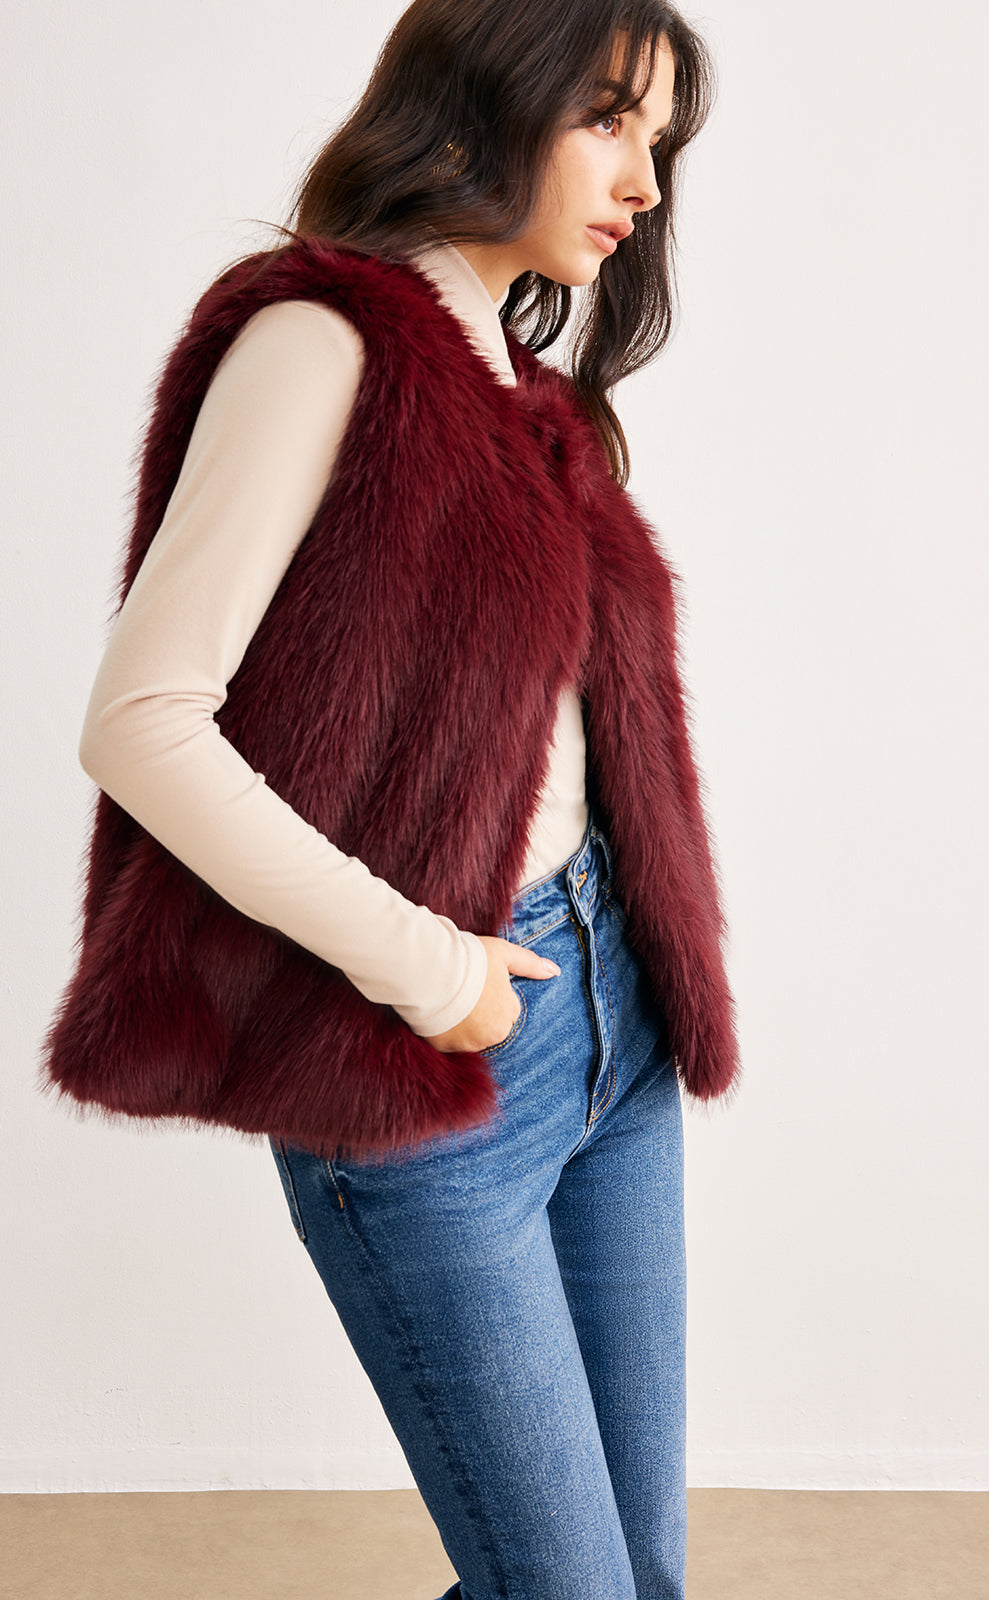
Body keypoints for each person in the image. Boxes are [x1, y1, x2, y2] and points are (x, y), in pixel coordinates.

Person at [43, 2, 739, 1595]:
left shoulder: (518, 389)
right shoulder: (322, 341)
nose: (645, 182)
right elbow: (143, 725)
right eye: (611, 119)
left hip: (611, 1026)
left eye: (661, 140)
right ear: (491, 92)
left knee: (635, 1582)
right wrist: (432, 973)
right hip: (436, 1061)